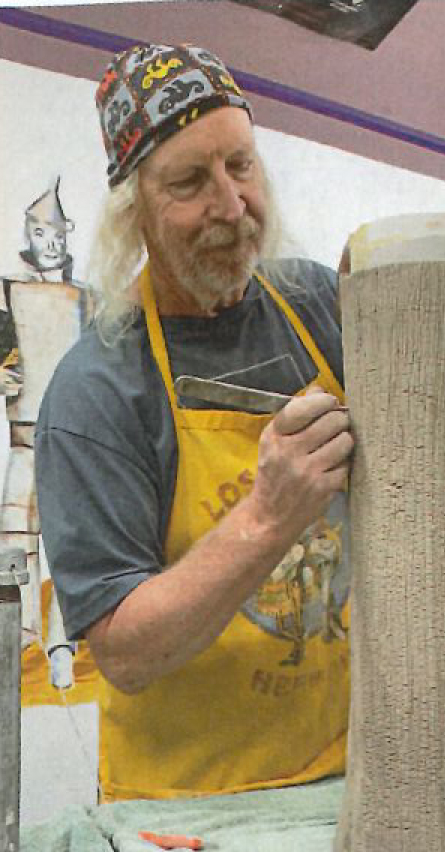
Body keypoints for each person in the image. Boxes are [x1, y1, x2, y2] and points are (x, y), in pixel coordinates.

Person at [35, 43, 354, 802]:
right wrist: (268, 517)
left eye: (241, 166)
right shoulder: (96, 392)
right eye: (189, 183)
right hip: (187, 807)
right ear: (133, 212)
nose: (232, 206)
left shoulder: (315, 304)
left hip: (345, 776)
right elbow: (125, 654)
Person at [0, 177, 89, 690]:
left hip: (69, 442)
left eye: (56, 233)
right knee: (16, 541)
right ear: (27, 234)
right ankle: (20, 637)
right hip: (21, 441)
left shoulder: (87, 299)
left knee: (67, 545)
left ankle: (60, 646)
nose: (49, 242)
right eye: (40, 232)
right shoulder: (8, 292)